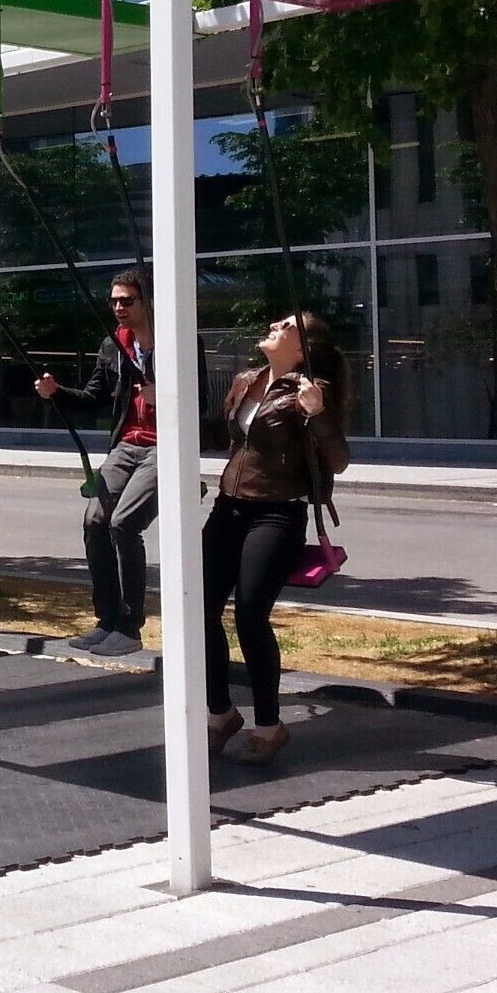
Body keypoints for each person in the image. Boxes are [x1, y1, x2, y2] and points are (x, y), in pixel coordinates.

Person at [206, 311, 351, 766]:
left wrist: (318, 414)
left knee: (250, 615)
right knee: (199, 610)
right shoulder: (246, 380)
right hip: (228, 508)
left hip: (276, 512)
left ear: (304, 348)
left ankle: (269, 725)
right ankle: (220, 712)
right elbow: (219, 436)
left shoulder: (312, 391)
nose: (273, 325)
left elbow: (338, 459)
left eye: (286, 325)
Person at [36, 269, 161, 659]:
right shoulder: (112, 345)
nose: (119, 307)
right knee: (95, 520)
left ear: (147, 302)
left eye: (127, 300)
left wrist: (165, 396)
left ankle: (129, 627)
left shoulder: (177, 341)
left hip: (164, 447)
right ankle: (107, 621)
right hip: (126, 445)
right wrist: (56, 392)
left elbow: (201, 403)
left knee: (124, 523)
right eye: (114, 301)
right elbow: (93, 398)